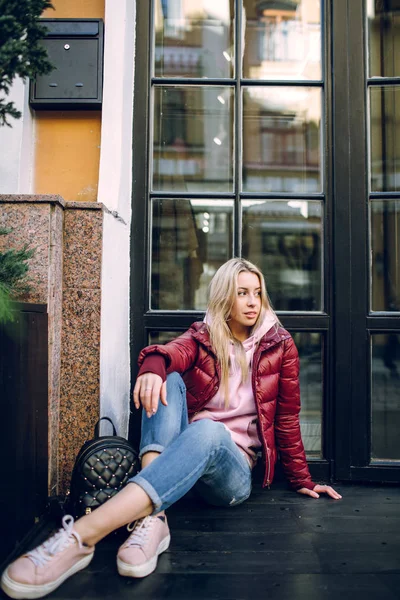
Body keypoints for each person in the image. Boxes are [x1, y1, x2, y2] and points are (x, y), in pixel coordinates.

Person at [1, 258, 341, 599]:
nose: (252, 302)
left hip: (232, 474)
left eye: (257, 293)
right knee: (169, 378)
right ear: (225, 297)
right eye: (242, 293)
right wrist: (154, 365)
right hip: (184, 460)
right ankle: (153, 518)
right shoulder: (204, 337)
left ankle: (81, 536)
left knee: (209, 430)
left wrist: (303, 480)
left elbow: (285, 417)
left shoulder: (279, 345)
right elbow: (176, 351)